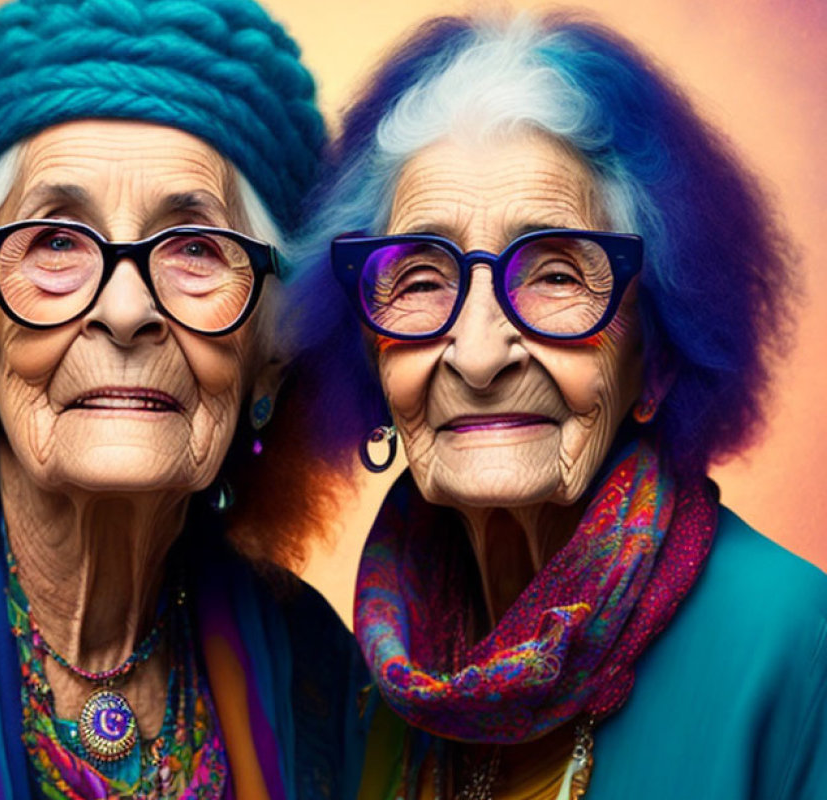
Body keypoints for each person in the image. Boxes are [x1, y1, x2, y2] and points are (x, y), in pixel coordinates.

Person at [0, 0, 367, 797]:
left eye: (195, 248)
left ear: (268, 364)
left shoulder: (322, 673)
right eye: (54, 241)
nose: (123, 311)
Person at [290, 12, 827, 799]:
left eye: (556, 274)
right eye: (421, 278)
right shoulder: (377, 670)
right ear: (370, 359)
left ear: (658, 359)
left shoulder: (794, 645)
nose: (476, 354)